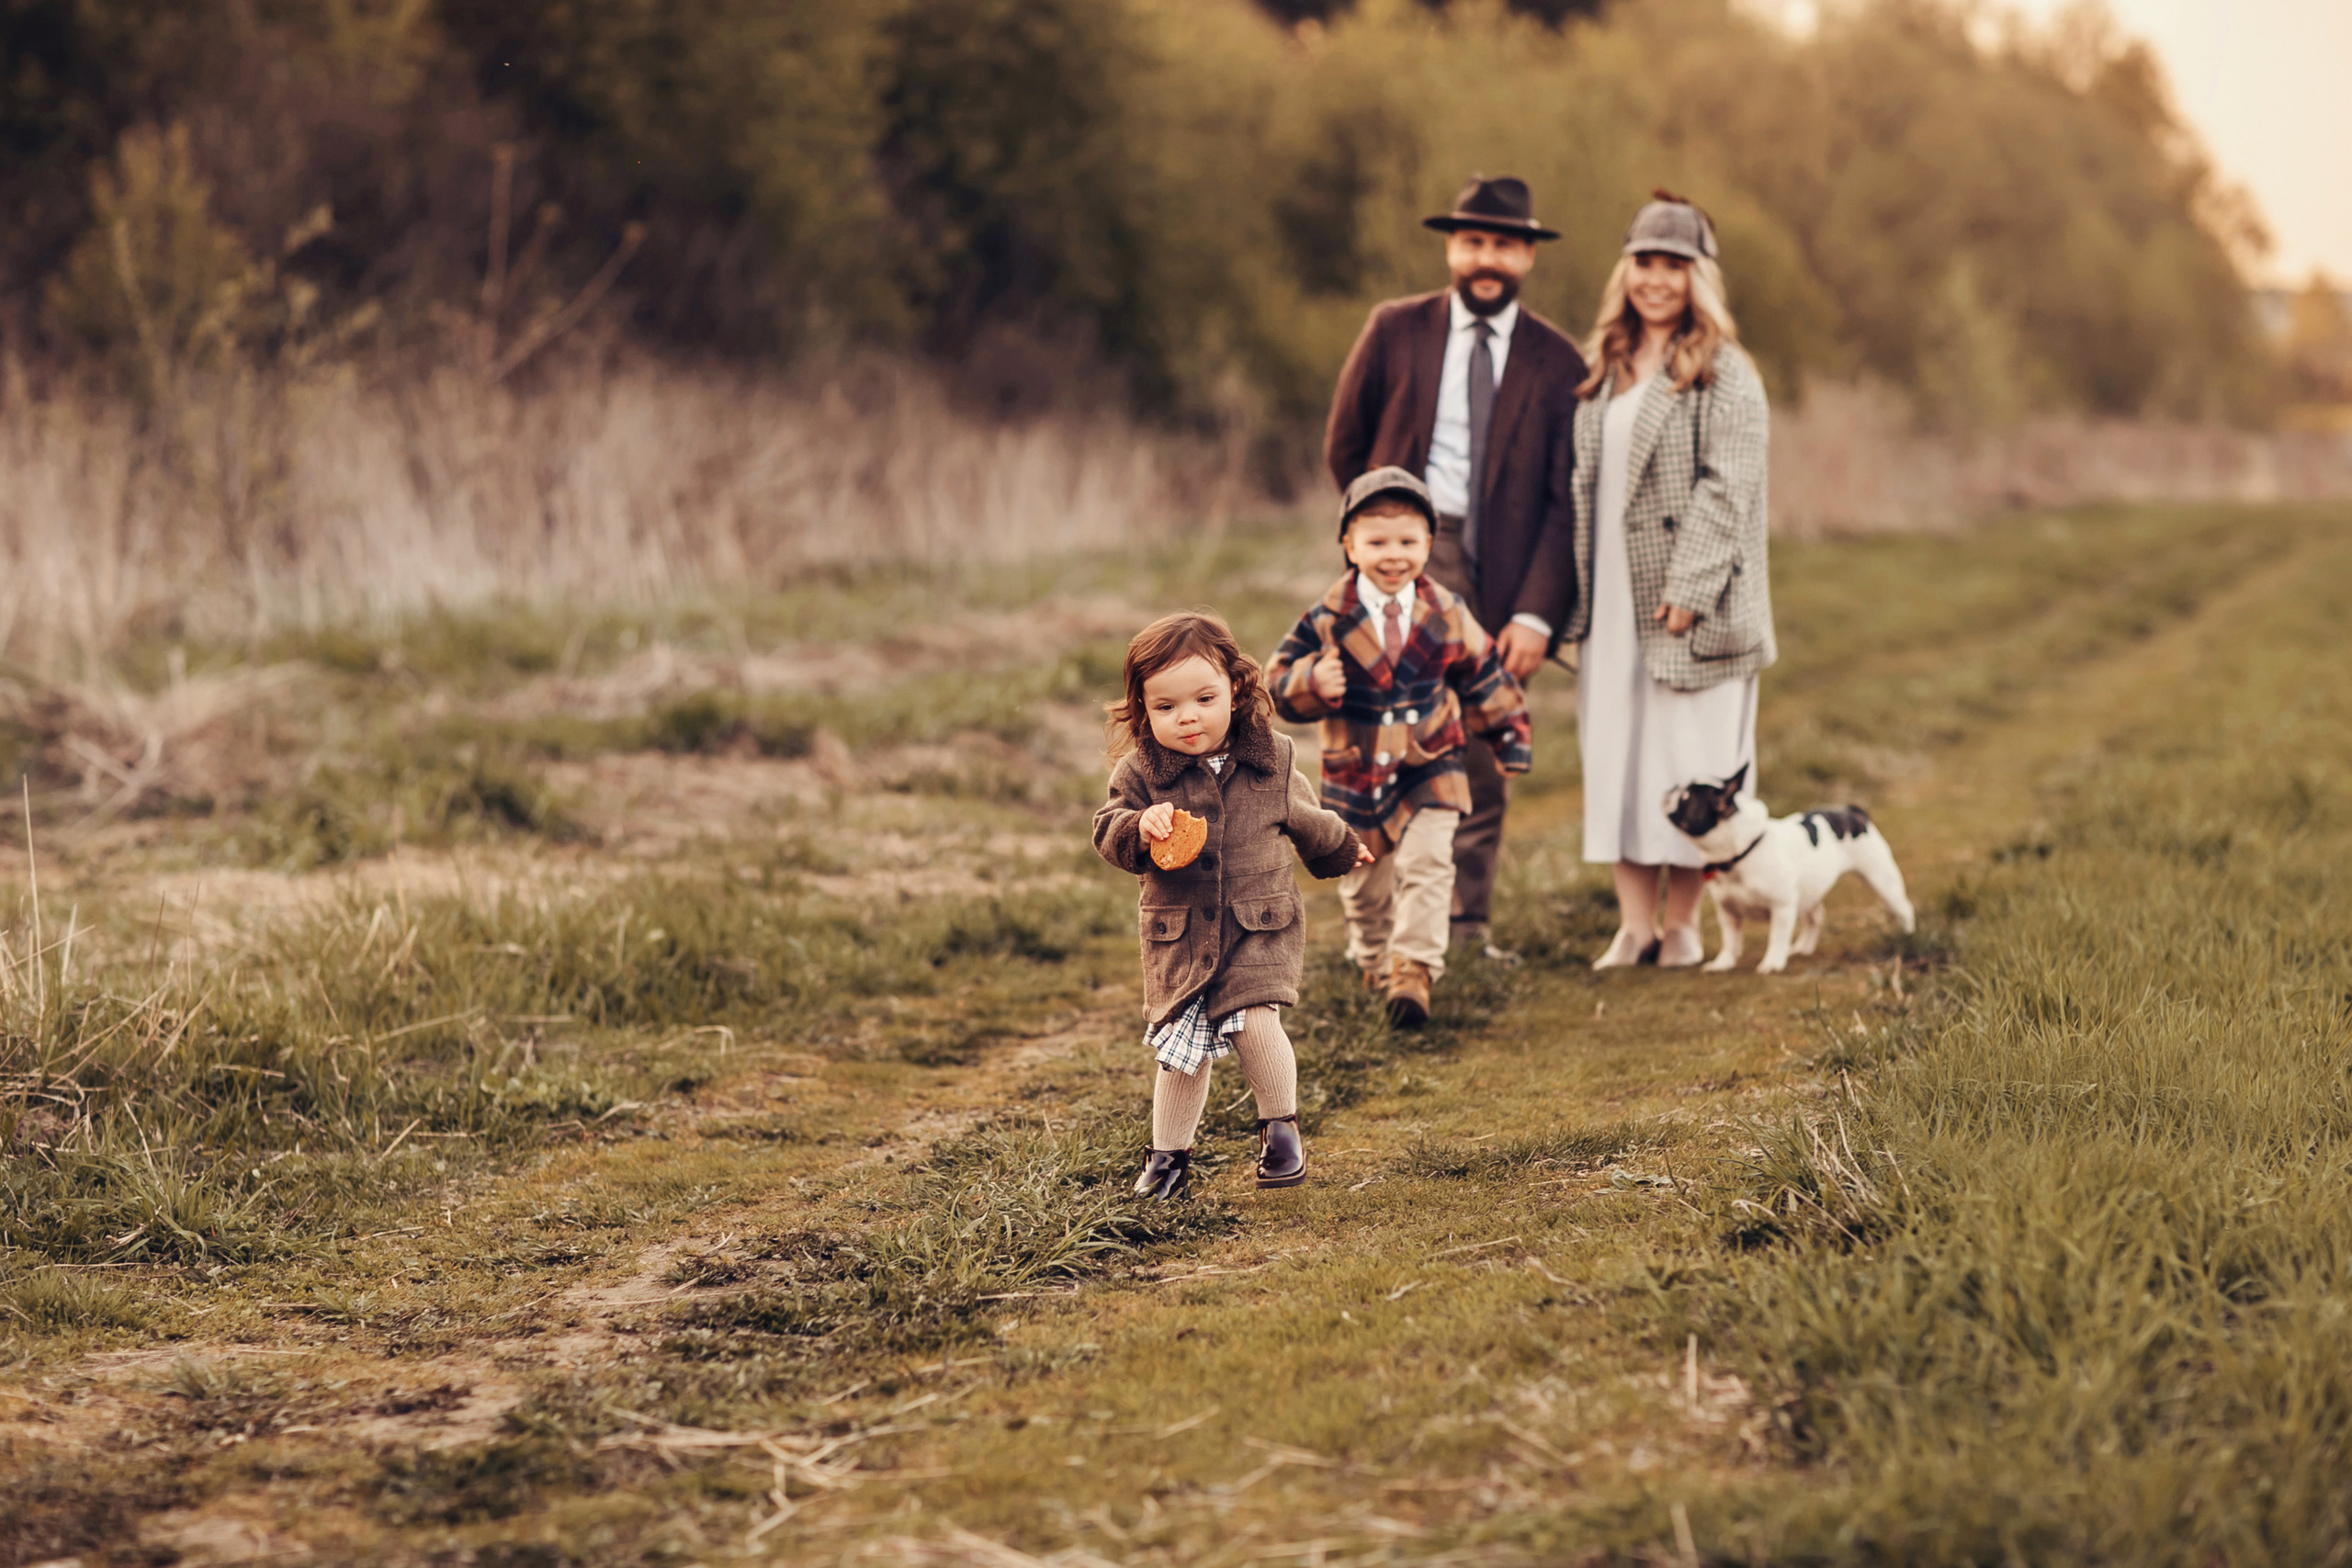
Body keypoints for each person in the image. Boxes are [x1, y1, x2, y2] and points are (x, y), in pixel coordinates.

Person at [1324, 175, 1587, 961]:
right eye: (1473, 241)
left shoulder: (1558, 361)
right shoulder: (1394, 329)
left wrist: (1536, 614)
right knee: (1378, 742)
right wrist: (1378, 539)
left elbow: (1565, 501)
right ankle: (1380, 933)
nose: (1486, 258)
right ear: (1451, 248)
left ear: (1527, 256)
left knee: (1476, 749)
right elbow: (1345, 445)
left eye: (1504, 244)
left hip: (1505, 575)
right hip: (1408, 558)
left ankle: (1463, 931)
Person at [1563, 191, 1777, 969]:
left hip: (1695, 600)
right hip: (1612, 597)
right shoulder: (1605, 368)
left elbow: (1729, 486)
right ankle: (1634, 925)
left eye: (1674, 265)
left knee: (1691, 756)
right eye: (1644, 262)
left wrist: (1689, 587)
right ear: (1626, 270)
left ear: (1698, 277)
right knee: (1618, 753)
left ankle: (1684, 922)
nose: (1656, 279)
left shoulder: (1725, 371)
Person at [1092, 612, 1369, 1201]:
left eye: (1204, 699)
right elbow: (1107, 830)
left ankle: (1281, 1132)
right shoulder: (1140, 772)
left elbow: (1305, 817)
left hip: (1259, 924)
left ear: (1236, 689)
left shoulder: (1273, 759)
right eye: (1166, 707)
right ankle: (1167, 1162)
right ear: (1143, 710)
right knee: (1181, 1050)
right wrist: (1139, 826)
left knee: (1253, 1020)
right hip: (1181, 935)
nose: (1187, 717)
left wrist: (1342, 846)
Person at [1266, 468, 1532, 1027]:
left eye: (1408, 542)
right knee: (1366, 885)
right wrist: (1312, 681)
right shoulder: (1327, 618)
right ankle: (1374, 958)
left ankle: (1414, 968)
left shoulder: (1447, 612)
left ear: (1429, 544)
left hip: (1430, 761)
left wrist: (1508, 735)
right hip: (1356, 771)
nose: (1394, 556)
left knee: (1430, 862)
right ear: (1349, 544)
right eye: (1378, 542)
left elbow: (1484, 673)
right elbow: (1276, 680)